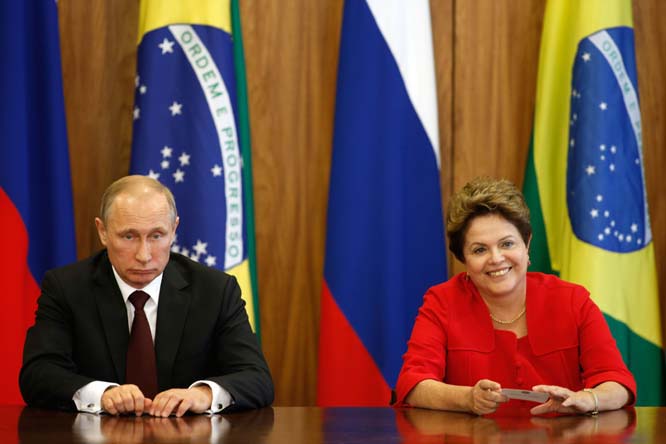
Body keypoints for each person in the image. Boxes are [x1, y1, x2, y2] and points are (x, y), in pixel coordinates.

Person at [20, 175, 273, 416]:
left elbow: (257, 379)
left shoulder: (215, 290)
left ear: (174, 230)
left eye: (157, 236)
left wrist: (204, 394)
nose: (144, 255)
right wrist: (102, 394)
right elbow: (38, 374)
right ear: (103, 231)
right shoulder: (66, 288)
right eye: (129, 236)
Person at [394, 177, 635, 415]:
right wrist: (468, 398)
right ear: (463, 259)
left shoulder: (572, 300)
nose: (496, 258)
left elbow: (618, 383)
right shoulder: (442, 302)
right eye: (479, 249)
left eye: (507, 244)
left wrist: (587, 399)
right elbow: (413, 384)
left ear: (526, 243)